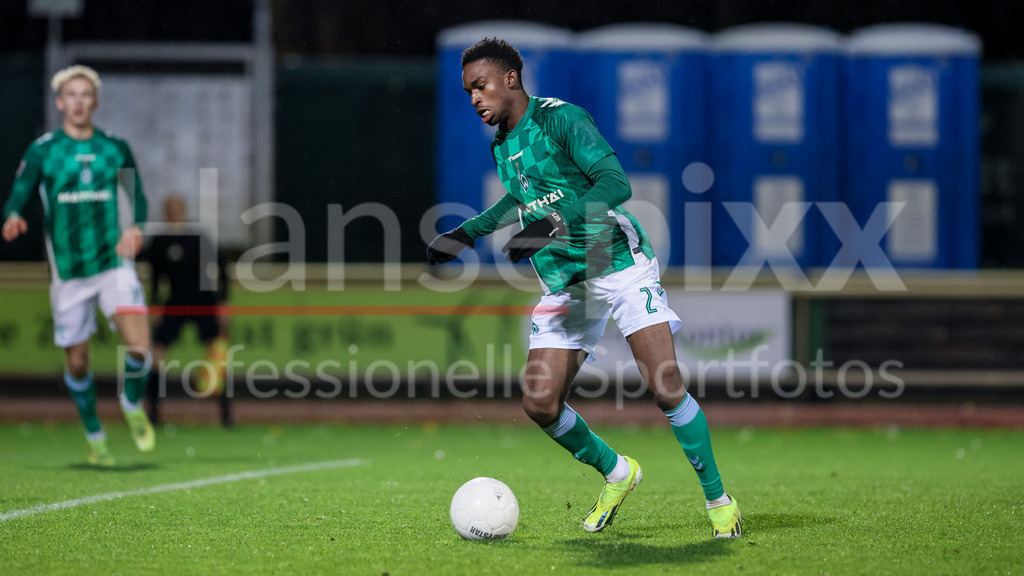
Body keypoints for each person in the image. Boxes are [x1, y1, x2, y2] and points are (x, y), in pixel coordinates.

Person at [427, 38, 742, 538]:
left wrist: (549, 225)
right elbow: (519, 198)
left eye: (480, 87)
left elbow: (615, 184)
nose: (474, 100)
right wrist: (469, 232)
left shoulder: (561, 119)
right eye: (467, 92)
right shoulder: (502, 143)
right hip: (567, 281)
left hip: (615, 262)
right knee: (540, 403)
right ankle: (618, 472)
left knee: (665, 387)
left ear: (511, 78)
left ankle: (718, 500)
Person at [2, 65, 155, 466]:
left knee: (140, 347)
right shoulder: (43, 150)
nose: (78, 101)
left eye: (85, 94)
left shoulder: (114, 147)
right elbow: (18, 194)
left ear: (95, 102)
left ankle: (131, 401)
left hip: (112, 263)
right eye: (71, 94)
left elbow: (136, 194)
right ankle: (94, 434)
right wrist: (14, 215)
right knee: (77, 361)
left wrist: (135, 227)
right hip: (69, 273)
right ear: (59, 102)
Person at [145, 194, 233, 428]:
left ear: (184, 210)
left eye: (178, 208)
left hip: (204, 301)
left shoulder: (198, 237)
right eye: (170, 209)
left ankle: (227, 415)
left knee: (217, 355)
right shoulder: (159, 242)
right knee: (157, 354)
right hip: (175, 303)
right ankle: (153, 415)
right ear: (165, 212)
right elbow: (156, 278)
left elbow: (222, 268)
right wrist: (154, 305)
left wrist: (223, 303)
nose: (174, 212)